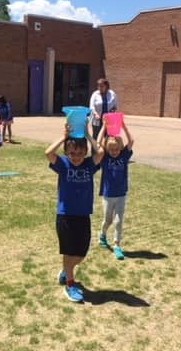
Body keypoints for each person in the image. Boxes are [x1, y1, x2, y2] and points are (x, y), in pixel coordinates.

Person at [46, 121, 104, 303]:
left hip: (83, 215)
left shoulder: (88, 165)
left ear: (85, 153)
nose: (76, 157)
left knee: (81, 253)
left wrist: (88, 135)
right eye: (72, 153)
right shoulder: (63, 164)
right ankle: (70, 284)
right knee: (69, 252)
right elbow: (48, 153)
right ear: (67, 153)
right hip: (65, 215)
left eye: (80, 153)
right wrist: (64, 137)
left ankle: (66, 270)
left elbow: (100, 152)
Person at [97, 120, 134, 260]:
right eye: (111, 149)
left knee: (118, 221)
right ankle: (102, 235)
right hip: (107, 195)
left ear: (120, 148)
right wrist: (104, 127)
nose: (114, 152)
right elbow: (99, 143)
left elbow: (131, 141)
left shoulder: (124, 156)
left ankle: (117, 245)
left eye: (116, 149)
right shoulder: (104, 157)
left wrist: (123, 126)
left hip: (121, 194)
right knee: (108, 220)